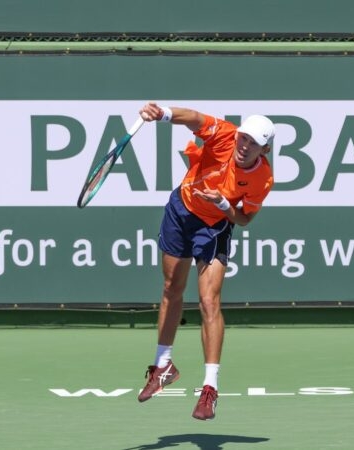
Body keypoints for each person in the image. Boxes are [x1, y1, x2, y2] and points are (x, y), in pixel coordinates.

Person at [136, 102, 275, 420]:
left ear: (263, 148)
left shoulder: (262, 179)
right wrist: (164, 113)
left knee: (208, 301)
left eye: (253, 142)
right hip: (181, 210)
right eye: (243, 138)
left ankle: (210, 389)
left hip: (214, 226)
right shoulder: (225, 135)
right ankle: (163, 366)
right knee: (172, 287)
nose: (244, 145)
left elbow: (243, 219)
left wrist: (225, 203)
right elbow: (195, 119)